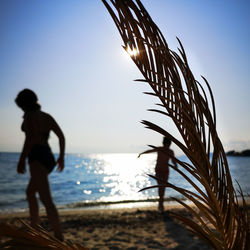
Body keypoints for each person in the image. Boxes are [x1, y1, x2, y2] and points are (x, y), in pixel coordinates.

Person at [15, 89, 65, 241]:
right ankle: (34, 227)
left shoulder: (31, 116)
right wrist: (61, 157)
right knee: (31, 192)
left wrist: (22, 159)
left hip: (36, 156)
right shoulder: (46, 116)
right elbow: (61, 136)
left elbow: (30, 138)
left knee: (46, 199)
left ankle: (58, 235)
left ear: (25, 104)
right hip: (47, 156)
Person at [138, 137, 177, 212]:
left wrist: (176, 166)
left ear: (169, 144)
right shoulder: (160, 149)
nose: (167, 146)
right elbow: (150, 150)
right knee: (160, 187)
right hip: (158, 171)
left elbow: (173, 160)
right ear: (164, 143)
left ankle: (161, 205)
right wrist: (141, 153)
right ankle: (160, 205)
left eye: (168, 144)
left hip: (165, 172)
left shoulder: (170, 151)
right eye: (166, 144)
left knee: (163, 188)